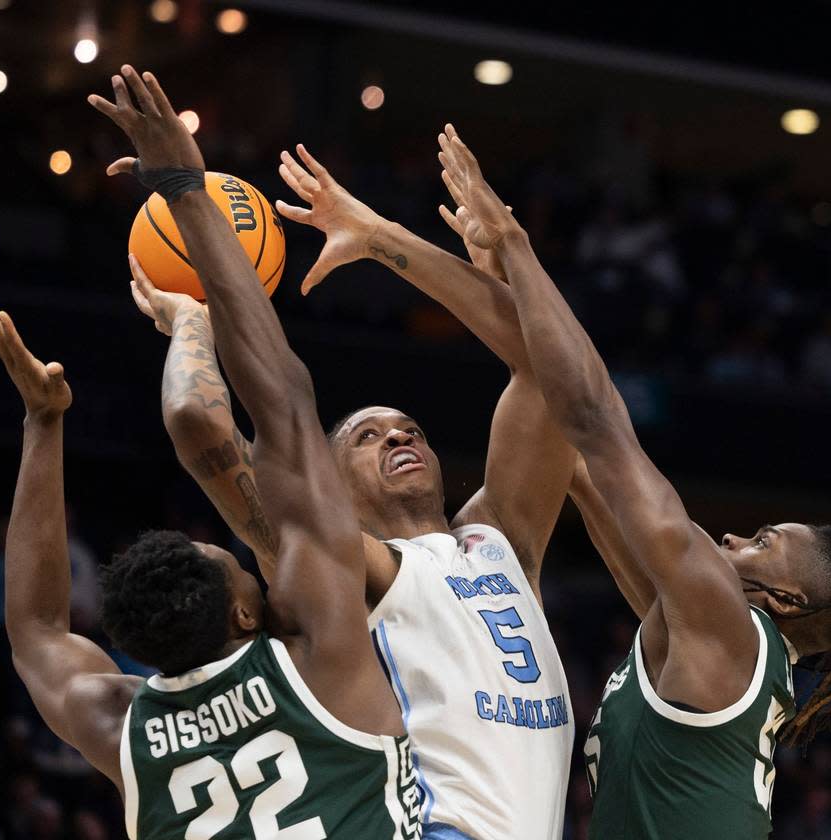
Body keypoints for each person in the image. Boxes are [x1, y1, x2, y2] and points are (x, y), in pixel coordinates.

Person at [435, 124, 831, 838]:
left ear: (782, 598)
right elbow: (579, 464)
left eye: (762, 541)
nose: (732, 535)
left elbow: (594, 415)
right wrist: (507, 286)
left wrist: (519, 246)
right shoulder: (708, 635)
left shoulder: (728, 629)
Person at [0, 64, 423, 839]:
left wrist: (42, 424)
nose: (244, 554)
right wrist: (188, 263)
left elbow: (38, 634)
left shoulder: (126, 722)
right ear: (248, 612)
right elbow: (264, 408)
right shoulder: (318, 655)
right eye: (231, 559)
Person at [127, 89, 576, 840]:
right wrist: (194, 323)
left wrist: (380, 236)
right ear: (327, 485)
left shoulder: (502, 538)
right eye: (367, 437)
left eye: (408, 429)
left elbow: (547, 368)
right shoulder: (346, 567)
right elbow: (202, 426)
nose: (398, 437)